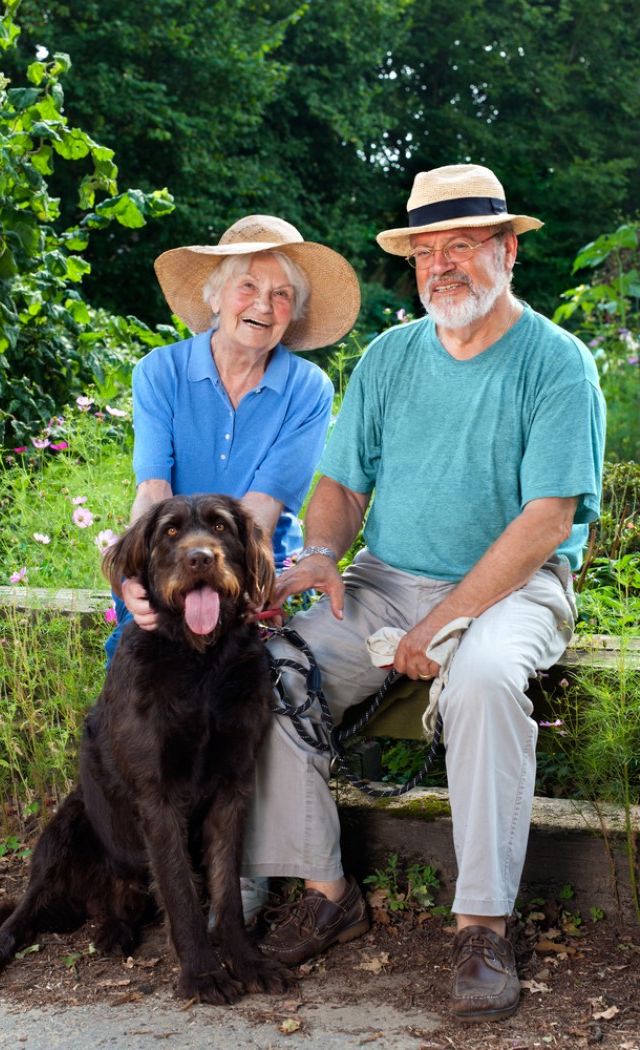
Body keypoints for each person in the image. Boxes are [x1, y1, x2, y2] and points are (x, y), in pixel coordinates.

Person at [242, 165, 606, 1022]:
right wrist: (326, 549)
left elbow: (547, 522)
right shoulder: (390, 357)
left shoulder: (558, 364)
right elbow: (341, 483)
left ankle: (481, 926)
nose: (443, 266)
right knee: (273, 667)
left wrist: (447, 620)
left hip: (516, 587)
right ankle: (327, 891)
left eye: (465, 245)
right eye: (426, 251)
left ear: (507, 251)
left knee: (479, 678)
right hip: (384, 582)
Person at [104, 213, 361, 922]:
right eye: (249, 285)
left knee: (250, 692)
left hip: (249, 577)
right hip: (163, 566)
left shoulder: (306, 389)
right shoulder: (159, 372)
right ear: (215, 296)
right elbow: (153, 490)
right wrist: (134, 581)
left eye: (283, 296)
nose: (264, 305)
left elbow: (258, 515)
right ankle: (137, 869)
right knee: (132, 690)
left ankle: (238, 875)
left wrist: (226, 588)